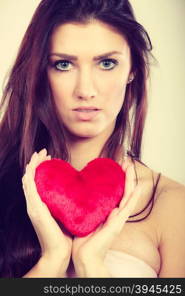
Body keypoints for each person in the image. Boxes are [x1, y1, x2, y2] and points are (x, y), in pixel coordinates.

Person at [0, 0, 185, 278]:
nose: (85, 90)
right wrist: (52, 261)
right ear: (40, 72)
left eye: (107, 63)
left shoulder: (172, 206)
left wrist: (92, 267)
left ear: (132, 69)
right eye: (63, 64)